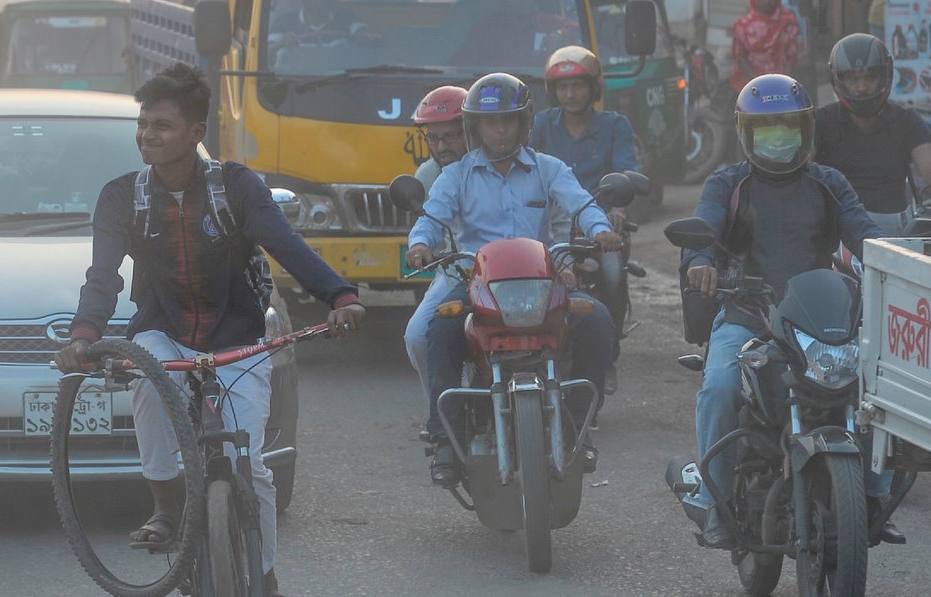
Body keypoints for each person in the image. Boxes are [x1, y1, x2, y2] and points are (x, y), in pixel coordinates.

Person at [55, 64, 365, 597]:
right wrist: (85, 334)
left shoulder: (237, 187)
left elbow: (288, 246)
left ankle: (264, 574)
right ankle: (167, 505)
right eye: (143, 124)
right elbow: (102, 277)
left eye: (163, 126)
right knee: (147, 378)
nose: (148, 135)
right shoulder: (121, 196)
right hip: (163, 334)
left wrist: (341, 297)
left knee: (256, 470)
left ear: (197, 133)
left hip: (240, 338)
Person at [681, 74, 893, 549]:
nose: (779, 137)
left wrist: (894, 259)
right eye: (767, 128)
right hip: (747, 317)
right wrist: (699, 262)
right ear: (746, 133)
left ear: (806, 131)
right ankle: (711, 499)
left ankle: (873, 494)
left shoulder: (828, 182)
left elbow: (864, 232)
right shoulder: (728, 183)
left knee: (878, 388)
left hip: (818, 324)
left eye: (788, 127)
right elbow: (704, 230)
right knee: (717, 389)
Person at [403, 73, 621, 486]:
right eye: (490, 123)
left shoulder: (549, 169)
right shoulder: (457, 176)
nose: (499, 130)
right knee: (438, 330)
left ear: (523, 123)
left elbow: (582, 205)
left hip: (543, 281)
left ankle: (578, 422)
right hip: (475, 282)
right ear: (476, 127)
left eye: (507, 121)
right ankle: (446, 436)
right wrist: (420, 244)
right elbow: (432, 218)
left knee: (597, 321)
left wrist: (600, 230)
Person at [814, 34, 931, 235]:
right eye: (853, 79)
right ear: (837, 80)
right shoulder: (820, 122)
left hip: (893, 236)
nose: (862, 87)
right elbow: (799, 172)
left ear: (886, 75)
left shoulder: (906, 120)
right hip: (832, 234)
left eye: (870, 77)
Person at [530, 46, 641, 194]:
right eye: (563, 87)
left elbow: (625, 174)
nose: (570, 94)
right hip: (554, 213)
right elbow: (522, 168)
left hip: (601, 213)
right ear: (553, 92)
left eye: (578, 85)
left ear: (593, 87)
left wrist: (618, 209)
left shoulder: (616, 126)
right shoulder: (542, 123)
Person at [729, 0, 802, 94]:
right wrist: (758, 82)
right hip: (750, 86)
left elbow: (791, 58)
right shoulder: (743, 26)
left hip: (782, 85)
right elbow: (740, 58)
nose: (767, 1)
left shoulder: (788, 23)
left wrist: (781, 83)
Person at [411, 85, 468, 191]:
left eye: (451, 136)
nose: (441, 148)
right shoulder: (427, 177)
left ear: (471, 133)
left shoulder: (497, 171)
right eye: (433, 138)